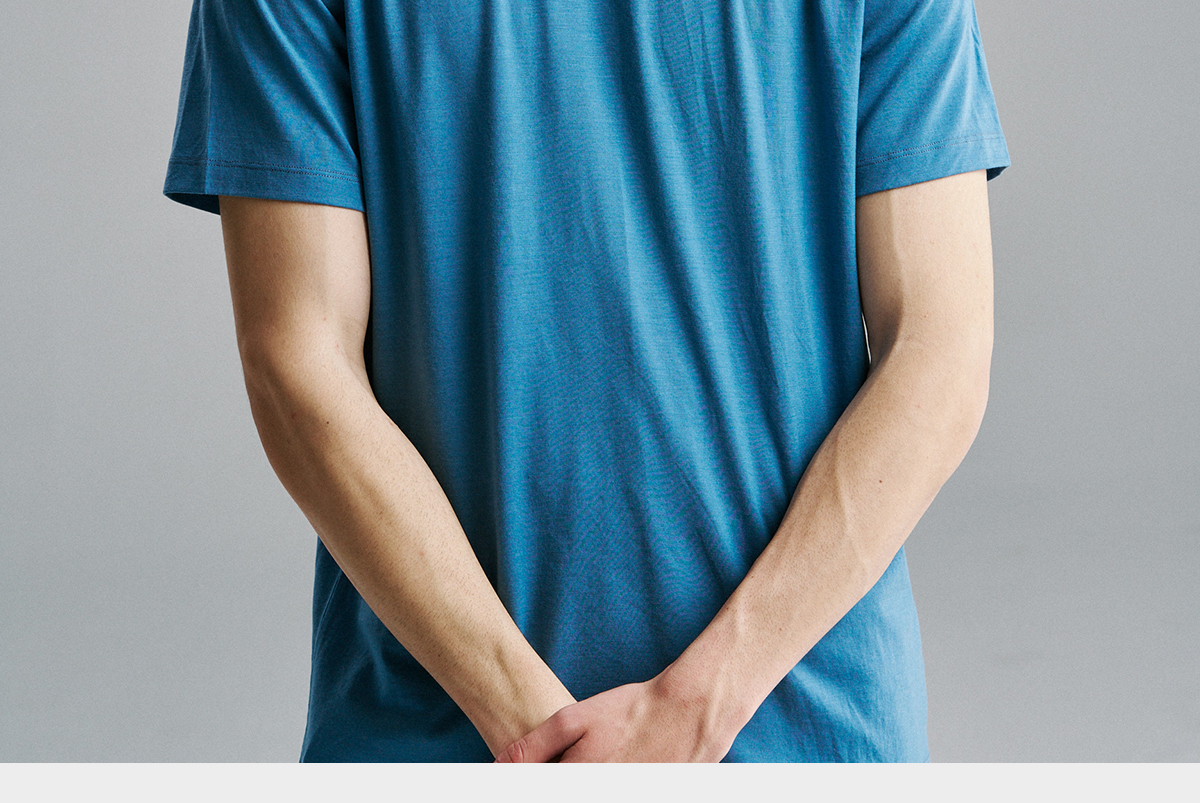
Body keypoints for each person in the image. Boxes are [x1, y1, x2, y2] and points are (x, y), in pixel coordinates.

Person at [164, 0, 1009, 762]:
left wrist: (661, 714)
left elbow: (938, 351)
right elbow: (297, 367)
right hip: (468, 738)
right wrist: (556, 733)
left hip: (785, 731)